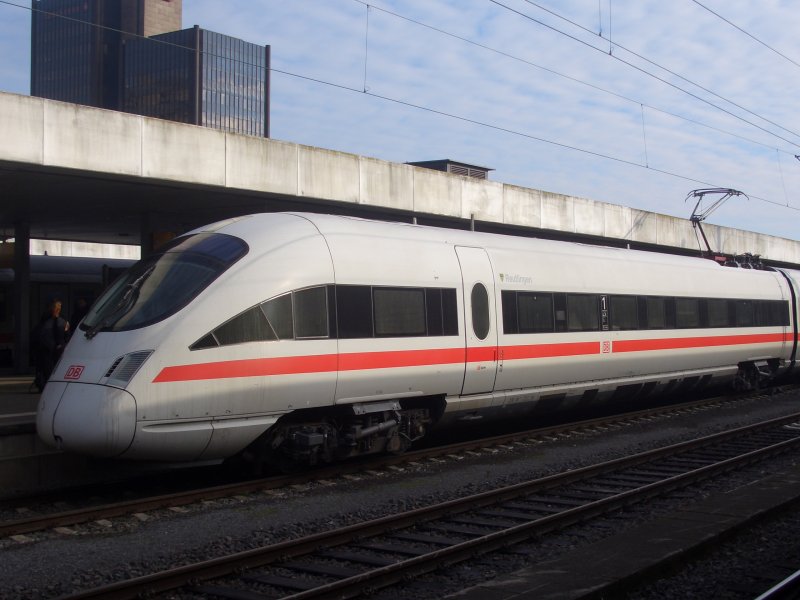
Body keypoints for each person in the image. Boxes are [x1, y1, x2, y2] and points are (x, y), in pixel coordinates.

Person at [33, 299, 69, 392]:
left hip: (56, 348)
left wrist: (61, 344)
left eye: (59, 307)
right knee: (47, 369)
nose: (57, 309)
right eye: (56, 307)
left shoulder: (61, 320)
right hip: (48, 349)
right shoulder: (46, 320)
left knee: (53, 369)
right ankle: (46, 386)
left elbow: (65, 335)